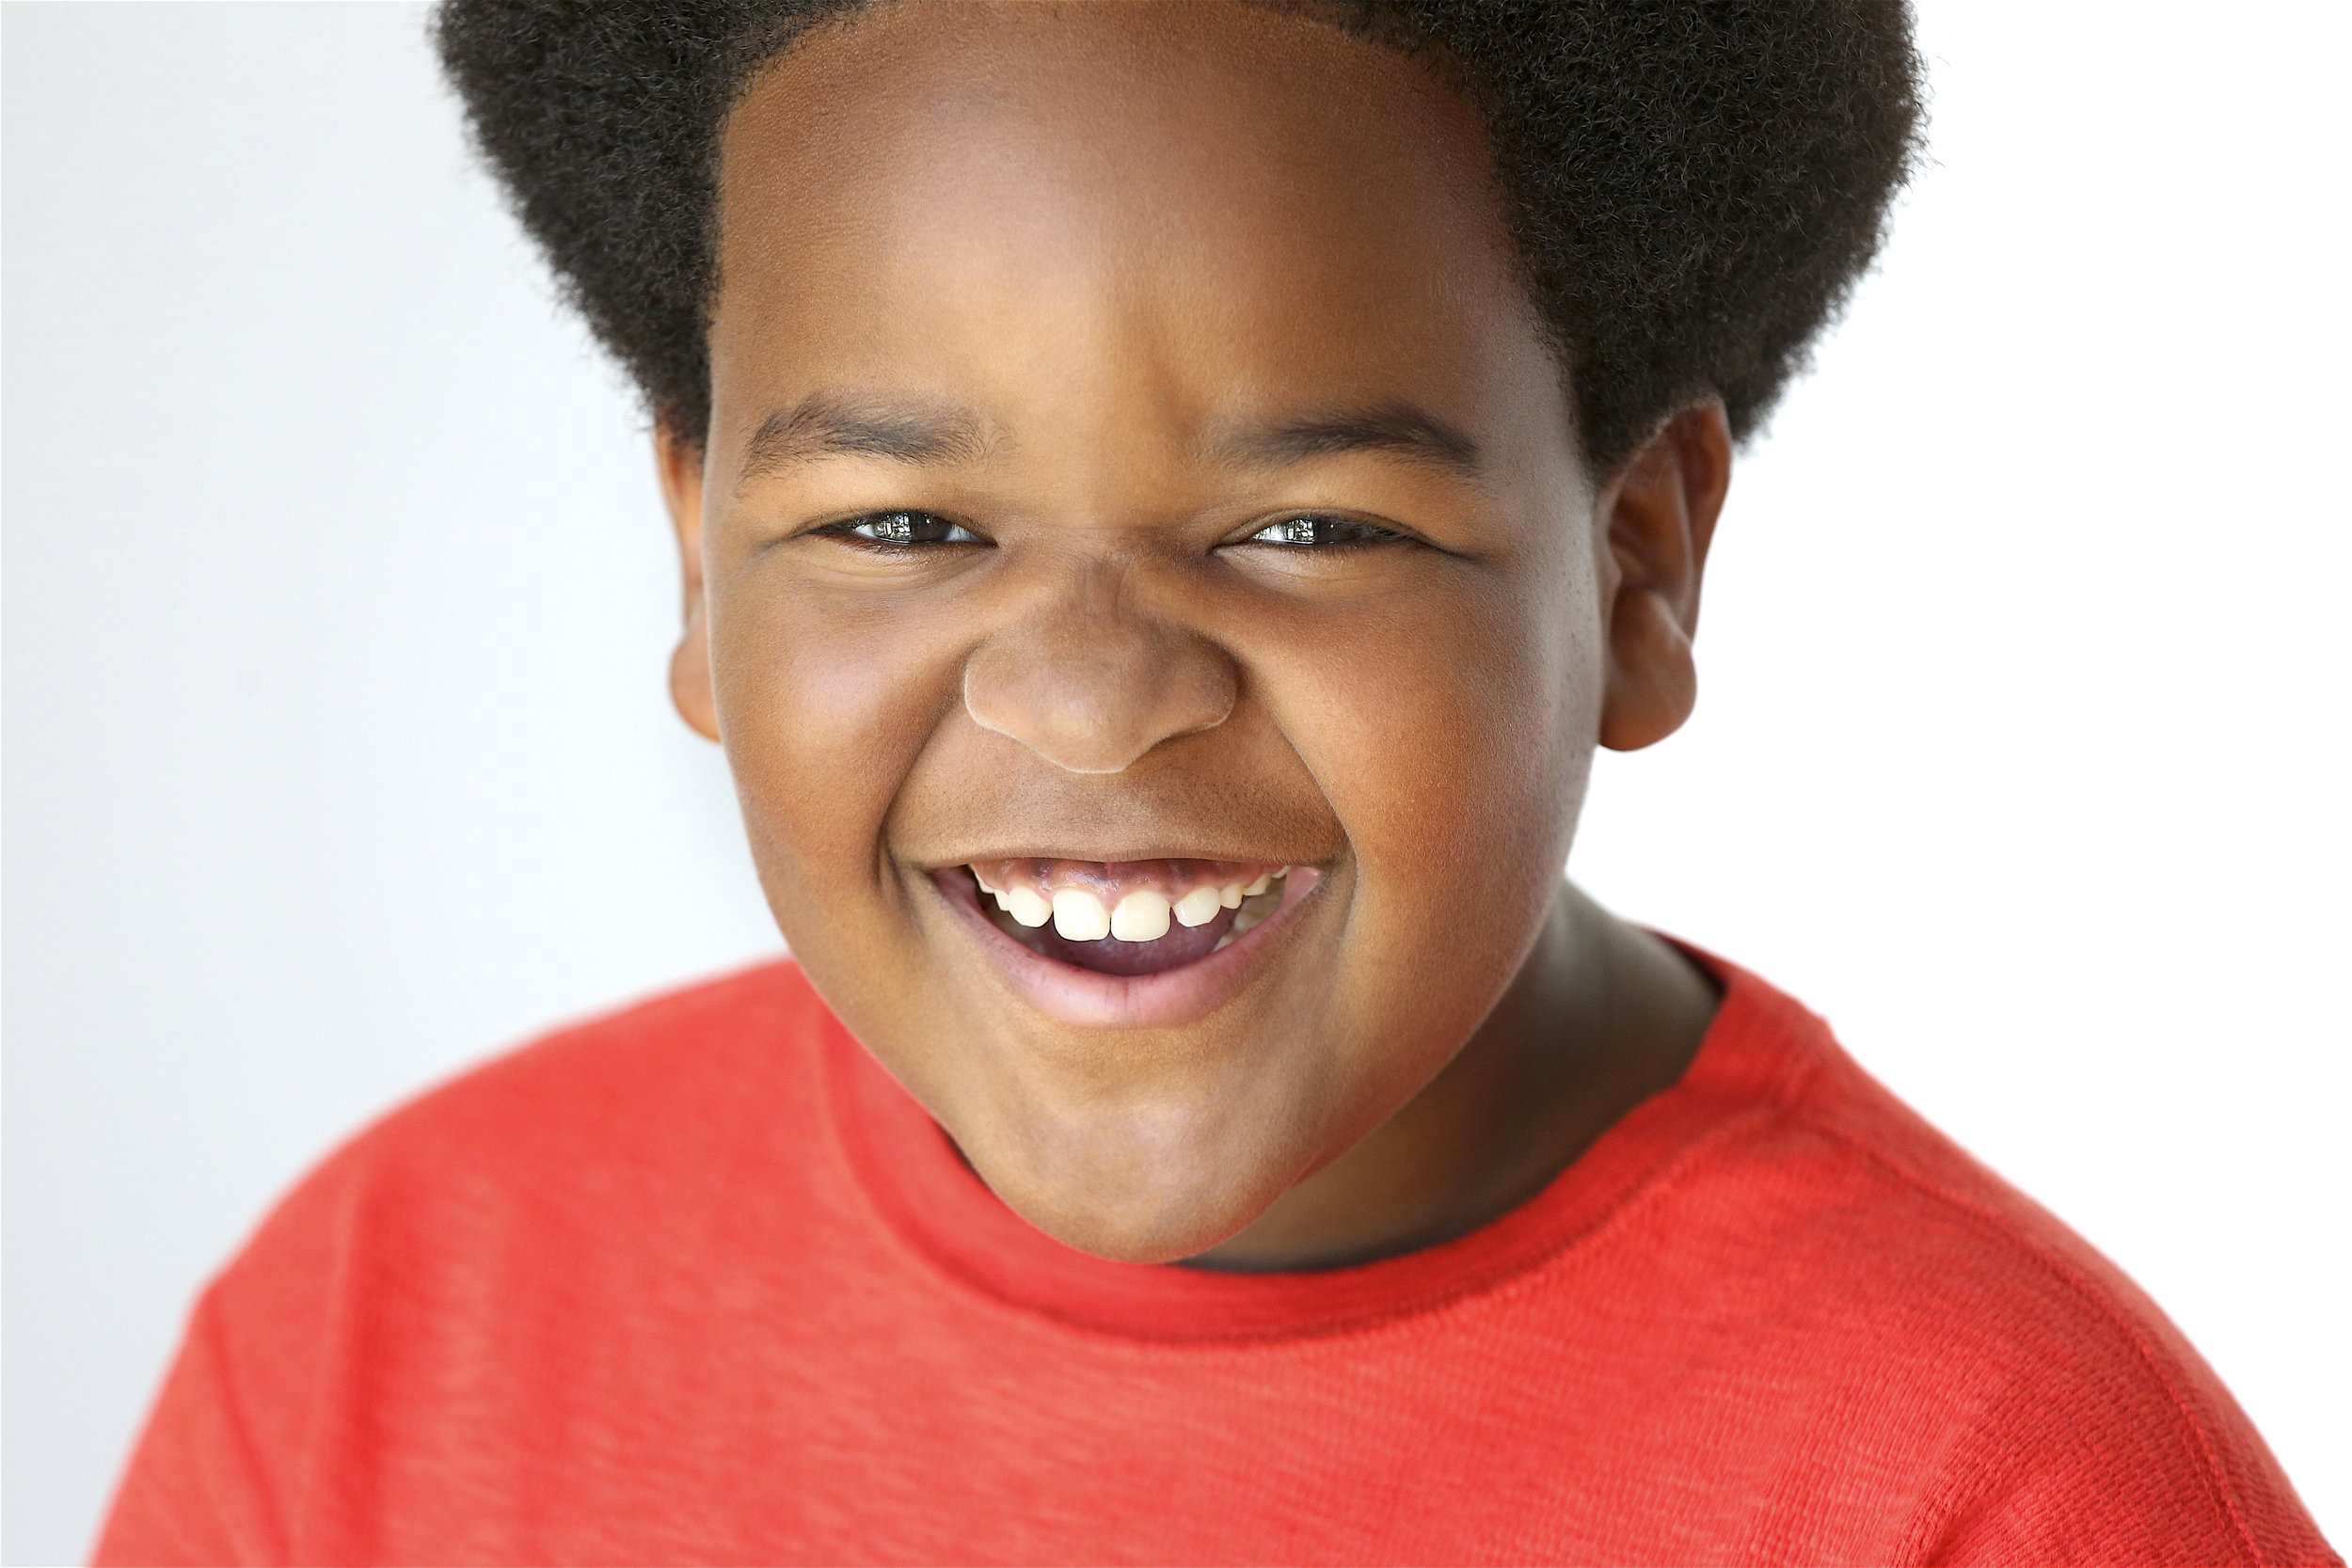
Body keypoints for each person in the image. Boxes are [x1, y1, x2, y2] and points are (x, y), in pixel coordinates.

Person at [95, 2, 2337, 1562]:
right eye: (902, 523)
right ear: (699, 557)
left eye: (1308, 526)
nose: (1088, 705)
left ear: (1636, 563)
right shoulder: (395, 1323)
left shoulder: (1996, 1490)